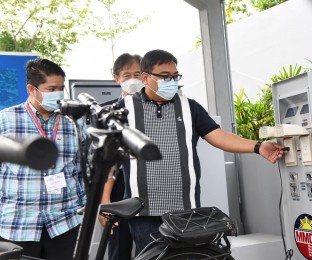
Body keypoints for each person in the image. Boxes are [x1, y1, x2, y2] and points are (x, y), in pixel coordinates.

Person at [101, 49, 287, 255]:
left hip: (185, 210)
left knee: (186, 257)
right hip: (144, 211)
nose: (170, 81)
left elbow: (220, 136)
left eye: (174, 76)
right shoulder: (124, 109)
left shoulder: (189, 107)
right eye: (164, 76)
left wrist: (258, 146)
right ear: (145, 77)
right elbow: (109, 160)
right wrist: (105, 201)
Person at [0, 58, 86, 259]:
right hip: (18, 225)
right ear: (31, 89)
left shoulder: (73, 123)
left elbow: (82, 170)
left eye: (61, 88)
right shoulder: (5, 121)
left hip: (65, 223)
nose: (57, 94)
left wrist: (84, 209)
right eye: (51, 88)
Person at [99, 53, 143, 260]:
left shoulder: (158, 108)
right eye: (127, 75)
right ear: (116, 78)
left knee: (153, 250)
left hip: (148, 194)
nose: (133, 79)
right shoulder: (106, 112)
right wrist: (105, 200)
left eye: (137, 74)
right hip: (118, 193)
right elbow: (104, 159)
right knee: (118, 249)